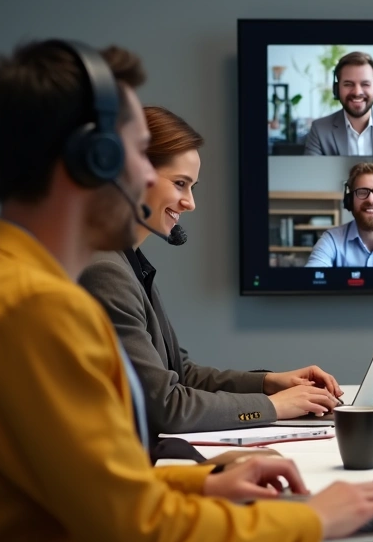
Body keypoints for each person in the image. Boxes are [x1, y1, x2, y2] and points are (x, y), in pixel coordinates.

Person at [0, 39, 373, 542]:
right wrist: (310, 519)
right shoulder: (31, 309)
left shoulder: (1, 284)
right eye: (138, 152)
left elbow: (97, 488)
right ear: (92, 160)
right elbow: (139, 535)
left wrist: (202, 483)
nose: (147, 174)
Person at [79, 106, 342, 437]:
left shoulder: (129, 263)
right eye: (180, 184)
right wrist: (275, 406)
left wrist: (270, 383)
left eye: (192, 187)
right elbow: (167, 408)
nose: (190, 203)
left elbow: (182, 374)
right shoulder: (107, 272)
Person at [303, 51, 373, 156]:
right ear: (337, 89)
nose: (357, 92)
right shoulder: (320, 129)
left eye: (365, 84)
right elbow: (310, 169)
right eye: (348, 84)